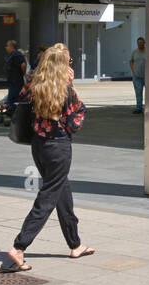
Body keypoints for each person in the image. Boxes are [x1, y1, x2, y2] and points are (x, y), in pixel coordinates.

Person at [5, 43, 93, 272]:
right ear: (62, 66)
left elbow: (20, 99)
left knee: (61, 190)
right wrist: (71, 85)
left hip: (39, 146)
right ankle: (19, 246)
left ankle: (75, 244)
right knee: (48, 197)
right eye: (68, 62)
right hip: (58, 147)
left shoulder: (34, 86)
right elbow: (75, 121)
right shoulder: (65, 89)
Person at [0, 39, 27, 126]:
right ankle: (15, 118)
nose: (5, 47)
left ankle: (16, 119)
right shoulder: (11, 55)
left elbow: (23, 65)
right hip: (12, 82)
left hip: (16, 82)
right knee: (12, 100)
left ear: (11, 47)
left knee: (12, 100)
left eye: (7, 46)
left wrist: (24, 74)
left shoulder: (17, 55)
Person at [129, 36, 146, 113]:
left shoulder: (148, 52)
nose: (140, 45)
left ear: (144, 43)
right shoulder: (134, 52)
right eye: (138, 43)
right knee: (138, 93)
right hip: (137, 76)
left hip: (147, 76)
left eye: (141, 43)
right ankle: (139, 108)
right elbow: (131, 61)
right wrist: (133, 70)